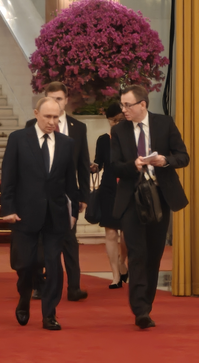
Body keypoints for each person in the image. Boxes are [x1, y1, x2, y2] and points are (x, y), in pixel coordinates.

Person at [110, 85, 190, 329]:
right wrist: (132, 165)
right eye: (122, 105)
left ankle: (147, 302)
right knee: (137, 253)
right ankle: (140, 310)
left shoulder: (165, 123)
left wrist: (164, 160)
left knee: (154, 254)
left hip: (159, 196)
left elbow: (183, 156)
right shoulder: (119, 130)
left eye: (128, 105)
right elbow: (113, 165)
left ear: (142, 104)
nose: (123, 110)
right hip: (131, 198)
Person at [1, 97, 79, 330]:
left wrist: (73, 210)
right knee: (25, 265)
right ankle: (24, 298)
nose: (52, 122)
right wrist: (8, 208)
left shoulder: (67, 143)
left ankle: (49, 314)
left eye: (56, 117)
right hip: (25, 213)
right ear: (36, 113)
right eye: (47, 117)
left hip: (56, 215)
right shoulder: (18, 139)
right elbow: (9, 176)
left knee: (54, 265)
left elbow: (70, 182)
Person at [24, 82, 90, 302]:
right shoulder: (31, 126)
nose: (55, 102)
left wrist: (84, 196)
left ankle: (74, 287)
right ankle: (38, 285)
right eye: (51, 98)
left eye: (59, 99)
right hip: (40, 197)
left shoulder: (78, 127)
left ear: (66, 100)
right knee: (41, 243)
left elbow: (83, 164)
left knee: (70, 242)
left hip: (67, 195)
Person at [91, 102, 128, 289]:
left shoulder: (131, 137)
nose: (117, 123)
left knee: (127, 233)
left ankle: (123, 260)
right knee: (111, 233)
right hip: (108, 188)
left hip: (128, 187)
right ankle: (115, 274)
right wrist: (94, 166)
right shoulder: (103, 140)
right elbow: (99, 162)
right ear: (108, 120)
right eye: (114, 121)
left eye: (120, 120)